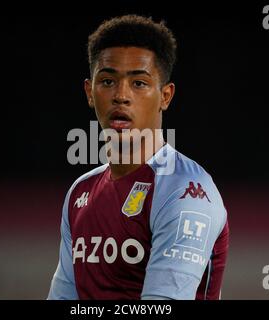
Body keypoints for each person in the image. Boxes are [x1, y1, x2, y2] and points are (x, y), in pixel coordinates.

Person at [48, 14, 229, 300]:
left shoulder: (186, 192)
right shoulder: (80, 193)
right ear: (89, 93)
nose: (121, 95)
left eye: (139, 83)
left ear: (165, 96)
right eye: (107, 81)